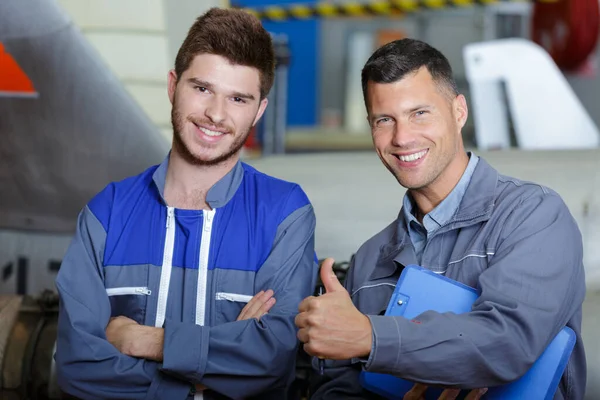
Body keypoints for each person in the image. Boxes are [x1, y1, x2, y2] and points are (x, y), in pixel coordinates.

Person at [296, 38, 586, 400]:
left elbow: (507, 342)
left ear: (459, 111)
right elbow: (339, 387)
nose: (402, 137)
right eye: (385, 120)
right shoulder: (370, 262)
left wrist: (370, 336)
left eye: (420, 113)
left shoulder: (532, 216)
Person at [54, 8, 318, 400]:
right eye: (202, 88)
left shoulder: (285, 215)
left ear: (259, 110)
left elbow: (269, 361)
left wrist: (149, 342)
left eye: (238, 98)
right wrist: (205, 376)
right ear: (173, 85)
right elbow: (77, 366)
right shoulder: (106, 213)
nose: (216, 114)